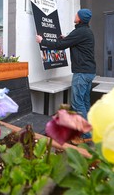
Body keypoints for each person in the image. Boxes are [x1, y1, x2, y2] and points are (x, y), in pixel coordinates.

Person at [36, 8, 96, 143]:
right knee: (85, 102)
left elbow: (60, 45)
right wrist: (67, 38)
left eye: (76, 14)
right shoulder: (86, 31)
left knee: (77, 103)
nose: (74, 15)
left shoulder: (80, 32)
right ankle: (88, 130)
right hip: (89, 72)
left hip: (81, 73)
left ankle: (85, 135)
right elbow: (72, 41)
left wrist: (42, 41)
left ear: (79, 18)